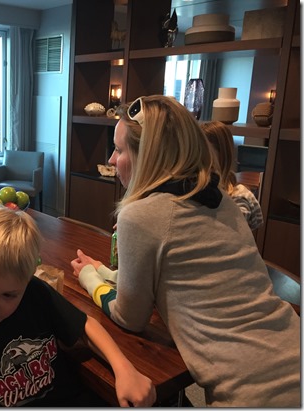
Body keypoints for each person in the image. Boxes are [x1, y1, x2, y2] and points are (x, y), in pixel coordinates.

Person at [71, 95, 301, 407]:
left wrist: (88, 277)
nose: (111, 160)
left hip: (255, 392)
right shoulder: (220, 199)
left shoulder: (140, 215)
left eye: (120, 150)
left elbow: (130, 317)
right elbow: (185, 277)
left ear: (147, 156)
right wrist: (103, 270)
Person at [0, 207, 156, 407]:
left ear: (28, 278)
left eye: (9, 295)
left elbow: (85, 324)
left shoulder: (35, 292)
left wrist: (124, 369)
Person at [201, 120, 263, 230]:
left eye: (204, 152)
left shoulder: (238, 198)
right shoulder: (197, 189)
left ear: (222, 154)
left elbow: (231, 233)